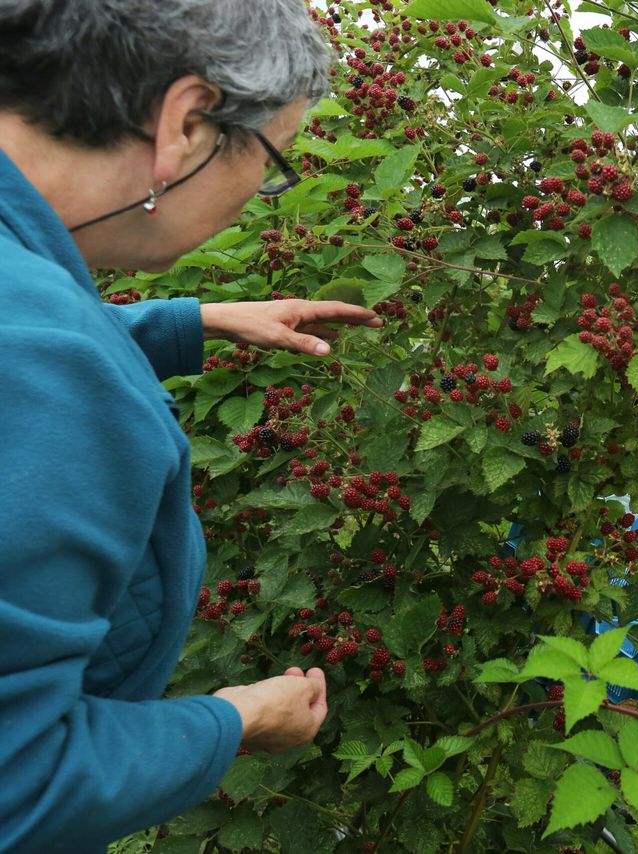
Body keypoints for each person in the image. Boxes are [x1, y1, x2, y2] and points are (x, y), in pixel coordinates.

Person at [0, 2, 384, 850]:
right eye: (272, 159)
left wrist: (192, 320)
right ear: (187, 123)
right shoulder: (50, 369)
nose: (263, 192)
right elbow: (15, 784)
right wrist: (237, 719)